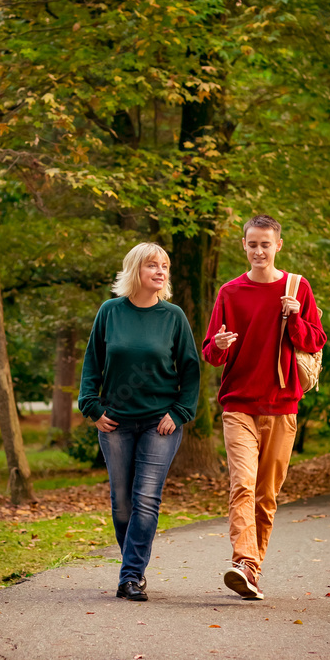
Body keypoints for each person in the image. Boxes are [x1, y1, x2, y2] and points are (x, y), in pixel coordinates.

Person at [202, 215, 326, 600]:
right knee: (242, 485)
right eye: (252, 244)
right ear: (243, 245)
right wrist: (219, 345)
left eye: (265, 244)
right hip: (239, 403)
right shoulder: (230, 293)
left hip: (282, 405)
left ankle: (251, 570)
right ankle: (243, 562)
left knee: (266, 495)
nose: (259, 251)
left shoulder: (297, 287)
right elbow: (210, 352)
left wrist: (295, 317)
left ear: (278, 246)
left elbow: (316, 340)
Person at [78, 242, 200, 601]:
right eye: (152, 265)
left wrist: (179, 413)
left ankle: (130, 576)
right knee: (122, 503)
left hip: (159, 423)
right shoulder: (110, 311)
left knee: (146, 498)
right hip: (114, 421)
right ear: (135, 271)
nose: (160, 272)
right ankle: (133, 565)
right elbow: (92, 362)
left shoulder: (173, 316)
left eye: (165, 266)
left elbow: (191, 371)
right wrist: (91, 406)